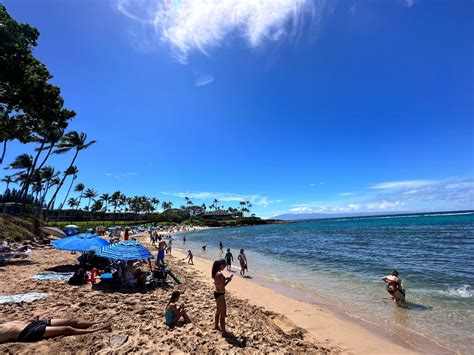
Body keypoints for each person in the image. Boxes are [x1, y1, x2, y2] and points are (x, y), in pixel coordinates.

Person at [0, 318, 111, 343]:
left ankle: (96, 323)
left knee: (70, 321)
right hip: (27, 333)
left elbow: (13, 323)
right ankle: (97, 329)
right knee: (66, 329)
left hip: (30, 323)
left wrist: (30, 319)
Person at [212, 259, 233, 335]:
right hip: (220, 294)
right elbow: (222, 286)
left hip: (217, 293)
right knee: (223, 313)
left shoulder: (216, 273)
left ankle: (216, 326)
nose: (224, 267)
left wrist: (226, 279)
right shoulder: (220, 274)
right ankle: (223, 332)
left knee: (218, 311)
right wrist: (228, 281)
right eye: (224, 266)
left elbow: (219, 282)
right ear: (221, 265)